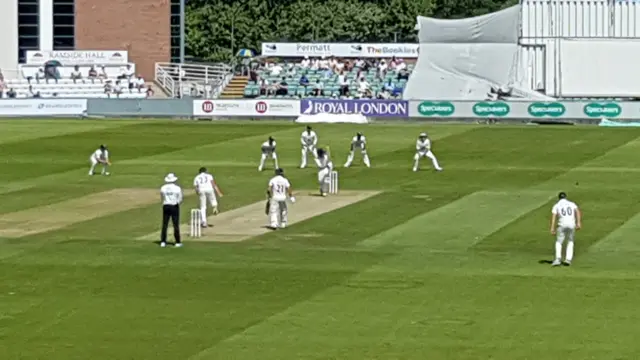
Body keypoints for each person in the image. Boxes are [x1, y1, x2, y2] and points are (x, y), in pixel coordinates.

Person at [550, 192, 581, 266]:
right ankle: (568, 259)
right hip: (571, 224)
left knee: (559, 242)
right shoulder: (571, 203)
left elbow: (554, 217)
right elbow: (577, 211)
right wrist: (578, 223)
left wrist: (552, 228)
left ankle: (558, 259)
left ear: (559, 198)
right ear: (565, 197)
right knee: (570, 241)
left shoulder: (556, 205)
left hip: (562, 225)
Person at [160, 173, 183, 247]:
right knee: (175, 224)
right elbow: (180, 198)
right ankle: (178, 242)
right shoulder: (177, 188)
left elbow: (162, 196)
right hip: (174, 206)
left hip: (166, 205)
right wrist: (176, 203)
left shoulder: (163, 187)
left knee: (164, 224)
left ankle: (163, 242)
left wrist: (166, 201)